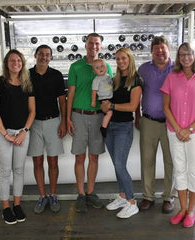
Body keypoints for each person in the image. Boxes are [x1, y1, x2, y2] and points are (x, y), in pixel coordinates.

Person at [162, 42, 195, 228]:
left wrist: (189, 129)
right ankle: (182, 209)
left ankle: (191, 210)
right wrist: (178, 129)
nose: (186, 57)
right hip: (174, 132)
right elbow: (166, 107)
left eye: (189, 54)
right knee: (179, 170)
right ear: (178, 57)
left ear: (194, 56)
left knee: (193, 171)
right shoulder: (171, 77)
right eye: (182, 54)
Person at [67, 33, 113, 213]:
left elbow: (108, 92)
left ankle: (91, 192)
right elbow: (70, 94)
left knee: (94, 156)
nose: (94, 46)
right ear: (85, 45)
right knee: (80, 156)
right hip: (78, 115)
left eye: (97, 43)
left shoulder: (106, 66)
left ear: (100, 47)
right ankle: (81, 194)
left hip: (97, 117)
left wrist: (108, 112)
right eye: (90, 43)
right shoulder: (76, 67)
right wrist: (67, 118)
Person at [0, 49, 36, 225]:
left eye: (18, 60)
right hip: (3, 134)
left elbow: (32, 111)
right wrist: (5, 134)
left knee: (18, 170)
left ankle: (17, 205)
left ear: (22, 63)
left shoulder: (27, 83)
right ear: (6, 63)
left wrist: (24, 130)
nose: (15, 63)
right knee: (5, 172)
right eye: (12, 60)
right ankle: (6, 207)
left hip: (22, 134)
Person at [100, 48, 142, 219]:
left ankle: (132, 202)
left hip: (124, 127)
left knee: (119, 164)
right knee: (117, 164)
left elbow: (132, 107)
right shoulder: (115, 79)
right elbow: (107, 100)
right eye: (117, 59)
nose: (120, 61)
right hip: (111, 126)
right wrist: (105, 105)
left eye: (123, 58)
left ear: (129, 59)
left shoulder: (136, 80)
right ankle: (123, 196)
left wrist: (111, 106)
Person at [135, 35, 175, 214]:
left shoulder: (178, 68)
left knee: (171, 161)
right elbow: (136, 94)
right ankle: (148, 196)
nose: (160, 51)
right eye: (156, 48)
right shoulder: (143, 69)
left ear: (168, 49)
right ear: (151, 51)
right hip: (149, 120)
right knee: (147, 160)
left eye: (163, 48)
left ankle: (168, 197)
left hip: (172, 123)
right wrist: (137, 115)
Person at [27, 45, 67, 214]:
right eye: (41, 54)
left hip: (53, 122)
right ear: (35, 55)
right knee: (37, 162)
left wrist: (64, 121)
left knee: (53, 161)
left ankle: (53, 194)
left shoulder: (56, 75)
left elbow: (62, 101)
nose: (44, 57)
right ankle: (42, 196)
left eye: (47, 55)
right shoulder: (26, 75)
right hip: (33, 123)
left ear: (51, 57)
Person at [91, 58, 113, 137]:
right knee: (109, 112)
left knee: (112, 113)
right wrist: (93, 101)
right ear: (94, 71)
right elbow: (94, 91)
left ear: (106, 67)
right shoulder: (96, 79)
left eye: (102, 66)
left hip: (110, 97)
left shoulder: (108, 76)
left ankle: (107, 125)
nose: (100, 68)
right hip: (103, 98)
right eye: (97, 68)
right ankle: (103, 127)